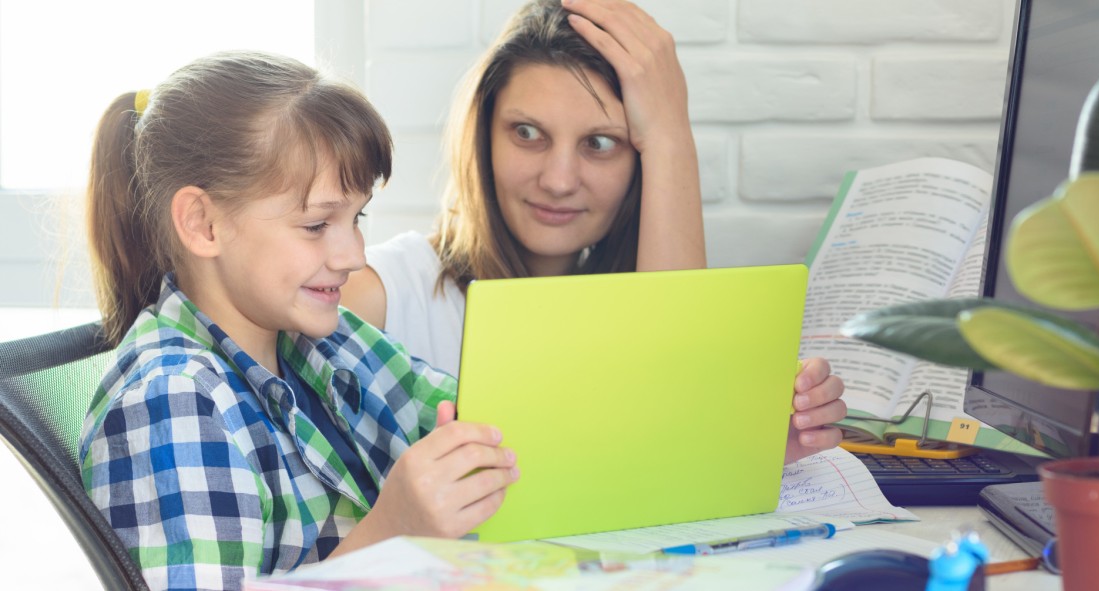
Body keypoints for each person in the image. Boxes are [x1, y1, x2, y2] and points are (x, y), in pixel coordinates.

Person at [79, 51, 519, 591]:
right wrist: (394, 531)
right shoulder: (172, 402)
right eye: (316, 225)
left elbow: (490, 422)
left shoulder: (325, 338)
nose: (353, 255)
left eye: (355, 218)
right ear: (203, 224)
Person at [340, 0, 846, 464]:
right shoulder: (382, 295)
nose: (559, 180)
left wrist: (746, 450)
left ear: (641, 163)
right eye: (527, 133)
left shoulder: (642, 314)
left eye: (600, 143)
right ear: (483, 137)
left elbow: (662, 459)